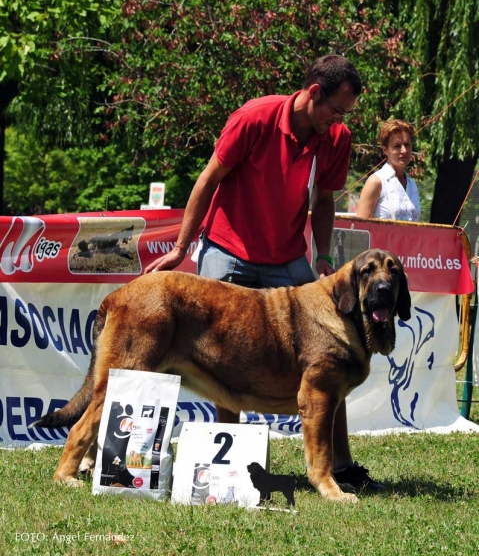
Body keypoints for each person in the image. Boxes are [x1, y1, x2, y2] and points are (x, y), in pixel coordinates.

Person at [145, 54, 383, 491]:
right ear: (314, 93)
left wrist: (323, 255)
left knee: (332, 353)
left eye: (344, 114)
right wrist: (181, 247)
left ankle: (342, 464)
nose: (339, 121)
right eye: (336, 110)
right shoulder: (254, 118)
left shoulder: (336, 137)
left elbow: (325, 200)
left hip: (287, 257)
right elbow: (207, 180)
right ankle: (229, 461)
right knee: (226, 352)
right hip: (228, 249)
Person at [356, 119, 421, 221]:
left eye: (407, 144)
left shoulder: (412, 184)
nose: (404, 150)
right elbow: (360, 230)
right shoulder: (376, 182)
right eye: (397, 146)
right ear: (385, 150)